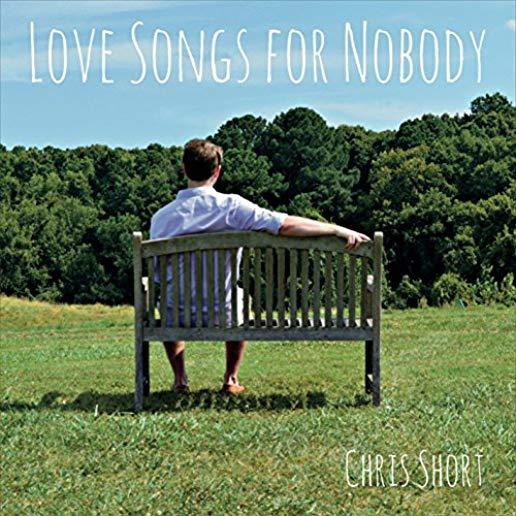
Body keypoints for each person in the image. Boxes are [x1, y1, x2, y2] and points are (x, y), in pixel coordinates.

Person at [150, 139, 370, 395]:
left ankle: (180, 379)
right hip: (225, 313)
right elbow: (284, 224)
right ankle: (231, 378)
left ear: (184, 168)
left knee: (169, 296)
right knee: (240, 296)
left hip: (178, 314)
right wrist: (334, 229)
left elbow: (157, 274)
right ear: (217, 171)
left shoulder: (162, 217)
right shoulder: (232, 207)